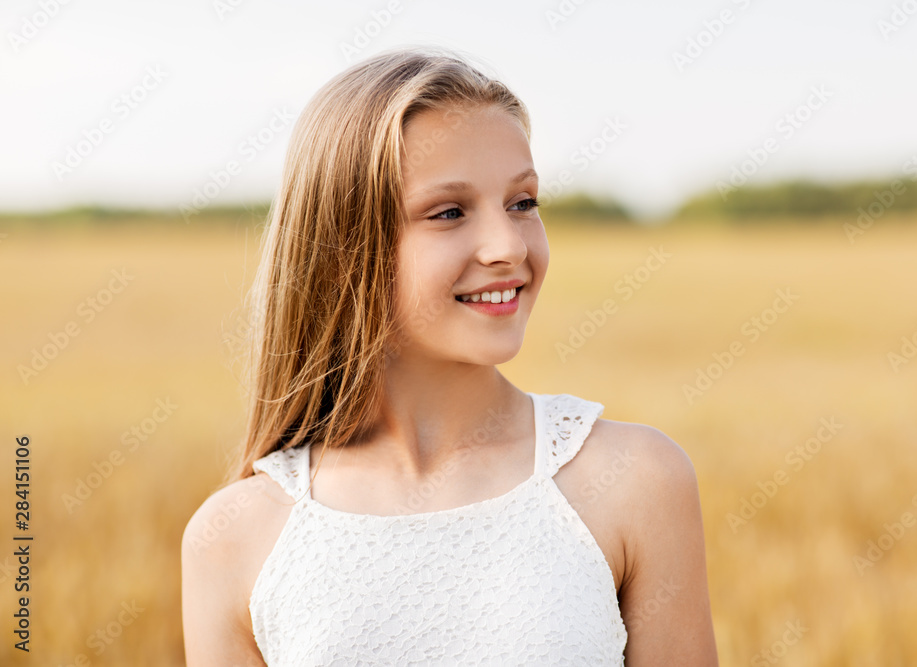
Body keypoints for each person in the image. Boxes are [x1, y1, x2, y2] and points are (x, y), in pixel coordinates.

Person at [181, 45, 718, 666]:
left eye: (522, 203)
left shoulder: (637, 481)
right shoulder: (235, 539)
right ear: (343, 247)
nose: (508, 246)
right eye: (449, 212)